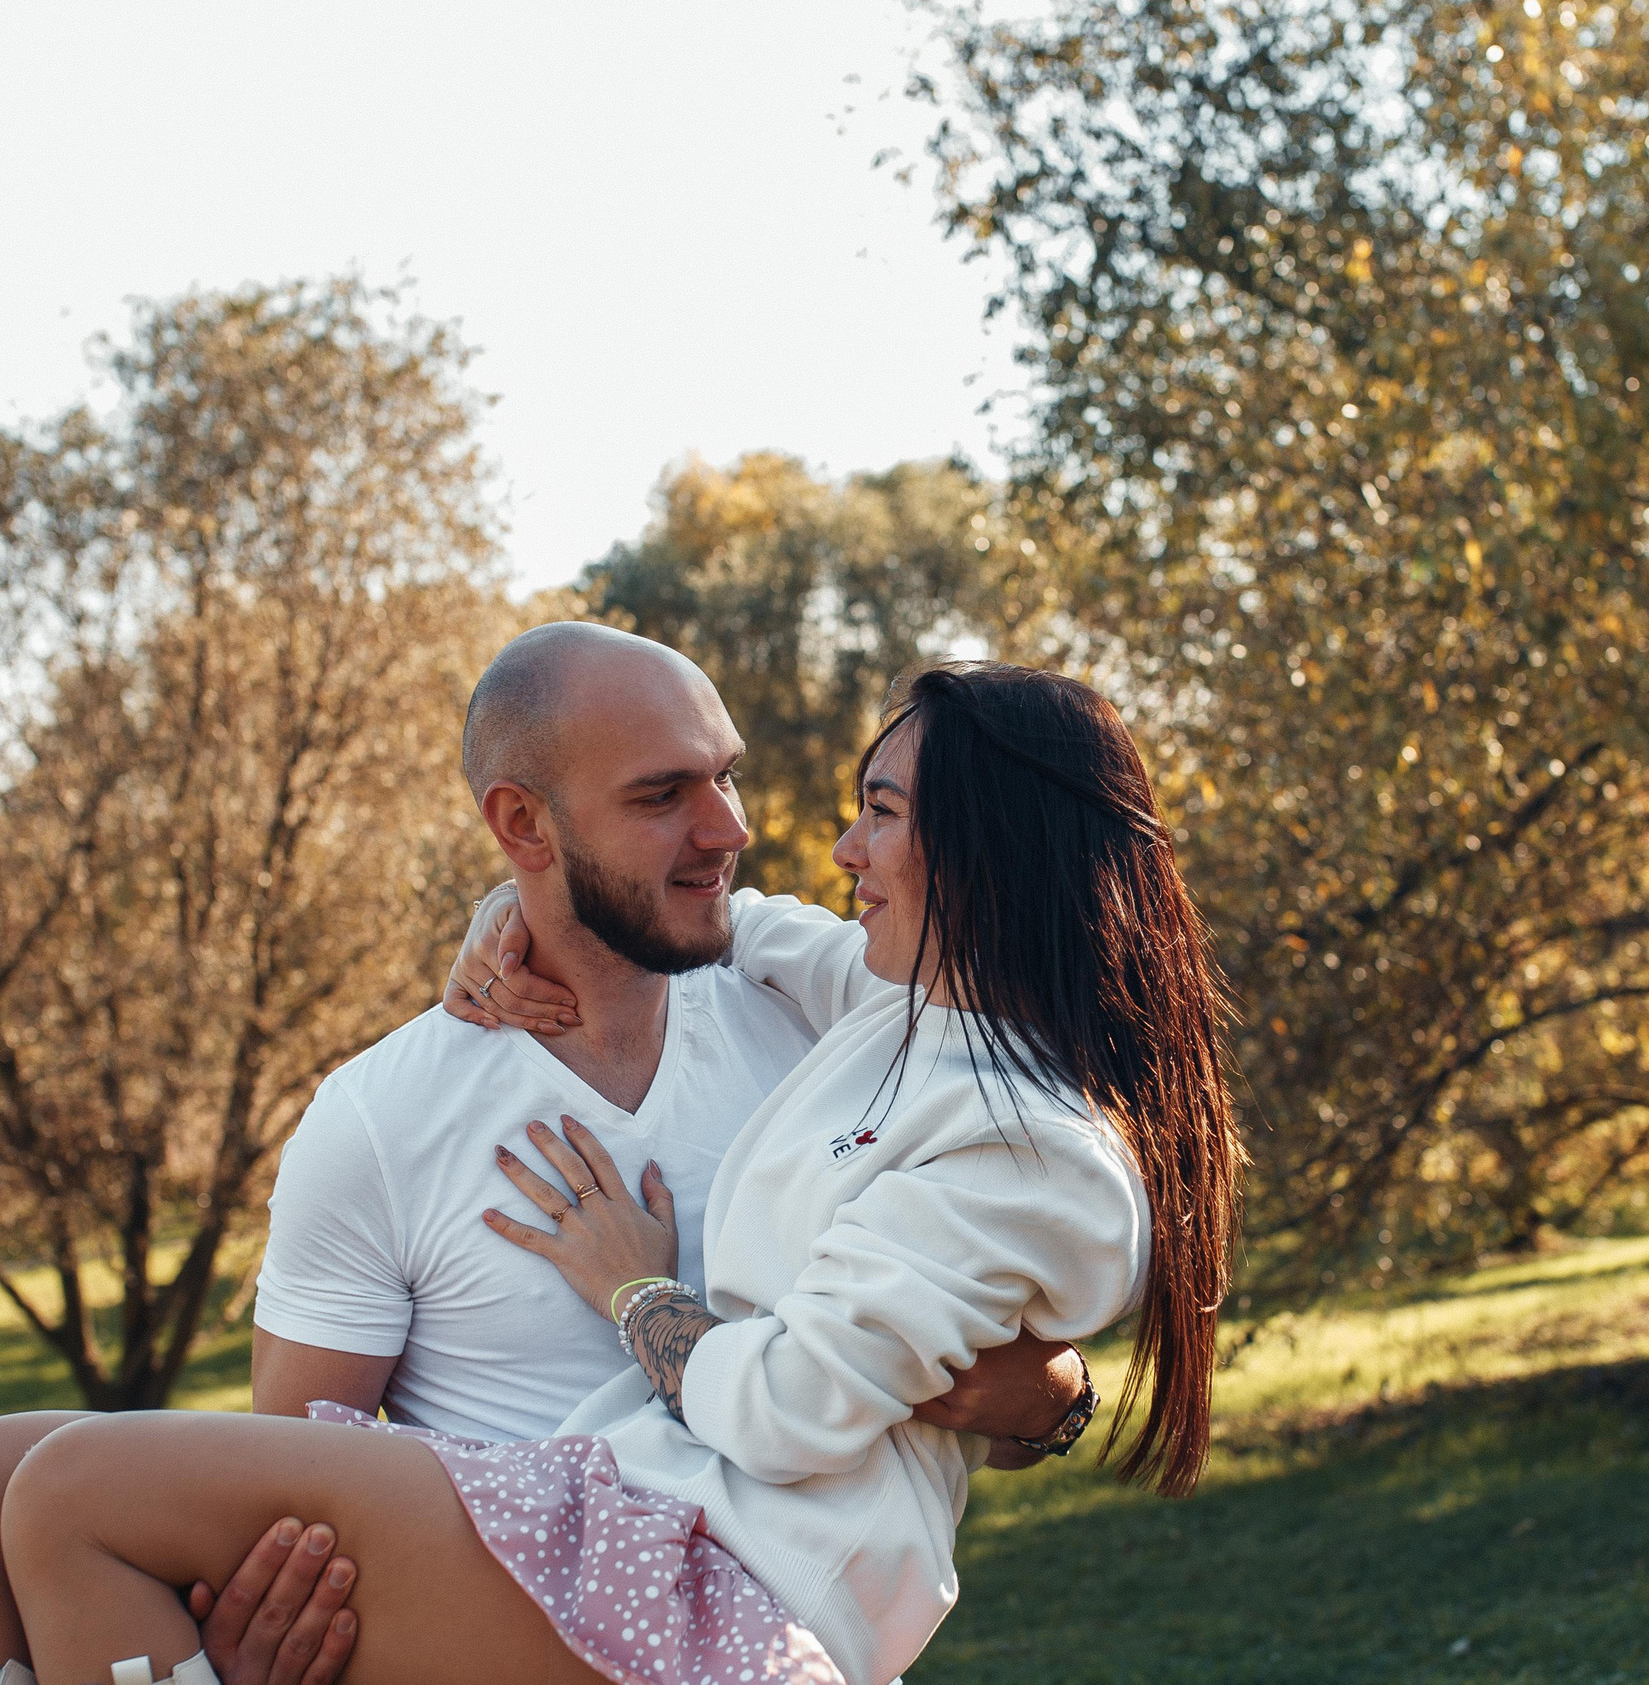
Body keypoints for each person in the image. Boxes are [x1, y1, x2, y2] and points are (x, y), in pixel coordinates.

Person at [0, 659, 1243, 1685]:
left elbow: (888, 1379)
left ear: (991, 848)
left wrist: (638, 1292)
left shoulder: (884, 1053)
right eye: (665, 794)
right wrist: (513, 909)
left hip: (705, 1575)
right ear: (522, 821)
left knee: (71, 1496)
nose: (754, 835)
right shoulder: (874, 1005)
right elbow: (279, 1476)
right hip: (582, 1519)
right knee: (13, 1466)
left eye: (732, 782)